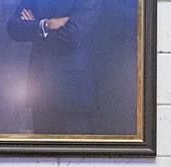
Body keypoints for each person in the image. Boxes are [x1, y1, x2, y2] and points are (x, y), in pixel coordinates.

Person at [6, 1, 103, 134]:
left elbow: (72, 35)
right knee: (43, 152)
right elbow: (13, 28)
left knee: (76, 152)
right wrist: (46, 25)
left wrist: (36, 27)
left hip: (74, 95)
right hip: (41, 93)